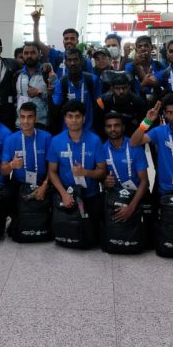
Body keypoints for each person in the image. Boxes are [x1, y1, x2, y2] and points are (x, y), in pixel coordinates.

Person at [47, 100, 107, 242]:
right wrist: (63, 194)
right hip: (67, 193)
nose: (74, 120)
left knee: (93, 238)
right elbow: (52, 171)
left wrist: (86, 173)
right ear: (65, 119)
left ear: (84, 118)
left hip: (89, 194)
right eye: (70, 116)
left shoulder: (95, 140)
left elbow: (102, 171)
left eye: (77, 116)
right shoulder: (56, 141)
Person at [0, 102, 52, 231]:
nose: (26, 121)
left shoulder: (47, 137)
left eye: (29, 117)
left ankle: (48, 220)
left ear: (36, 118)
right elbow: (3, 170)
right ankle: (16, 218)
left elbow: (53, 167)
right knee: (6, 194)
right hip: (20, 182)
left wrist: (45, 185)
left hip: (42, 181)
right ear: (19, 118)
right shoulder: (10, 139)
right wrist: (11, 165)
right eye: (22, 117)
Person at [102, 112, 149, 222]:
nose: (113, 129)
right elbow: (101, 177)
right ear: (105, 129)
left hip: (137, 197)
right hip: (115, 198)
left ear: (123, 127)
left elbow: (145, 182)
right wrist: (105, 182)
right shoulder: (102, 149)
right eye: (109, 126)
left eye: (116, 125)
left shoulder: (135, 147)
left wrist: (131, 207)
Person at [31, 8, 90, 79]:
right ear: (63, 41)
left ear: (77, 41)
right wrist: (36, 22)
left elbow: (91, 83)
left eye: (72, 39)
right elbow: (37, 43)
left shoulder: (86, 62)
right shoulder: (57, 56)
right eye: (66, 39)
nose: (69, 41)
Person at [51, 48, 98, 133]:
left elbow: (98, 105)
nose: (72, 63)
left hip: (89, 130)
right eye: (69, 60)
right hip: (68, 131)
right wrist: (48, 94)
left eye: (75, 59)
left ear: (81, 61)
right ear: (65, 63)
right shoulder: (61, 83)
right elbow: (55, 105)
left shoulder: (92, 80)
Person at [13, 42, 51, 128]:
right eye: (26, 53)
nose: (29, 56)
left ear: (39, 54)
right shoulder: (17, 75)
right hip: (21, 124)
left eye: (33, 52)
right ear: (22, 55)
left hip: (41, 123)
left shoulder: (47, 73)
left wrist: (39, 93)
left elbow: (56, 98)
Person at [124, 35, 164, 103]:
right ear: (136, 49)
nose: (143, 48)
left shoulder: (159, 66)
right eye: (139, 46)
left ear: (151, 48)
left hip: (156, 103)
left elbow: (159, 84)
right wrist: (142, 84)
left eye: (146, 45)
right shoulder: (129, 67)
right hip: (137, 105)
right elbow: (128, 89)